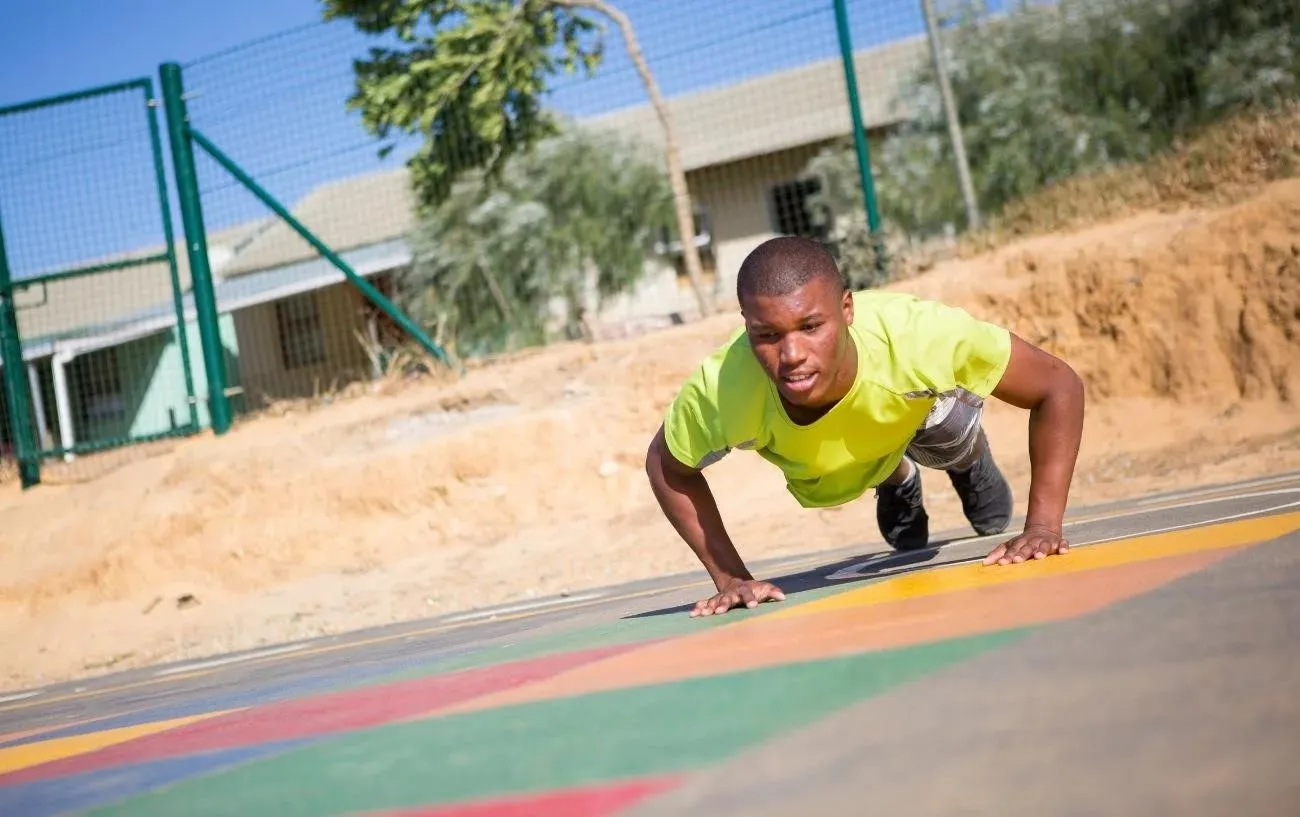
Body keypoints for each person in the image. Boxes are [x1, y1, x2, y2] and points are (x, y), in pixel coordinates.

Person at [644, 236, 1086, 617]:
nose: (792, 353)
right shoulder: (723, 387)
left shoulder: (917, 335)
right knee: (827, 486)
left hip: (916, 413)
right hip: (842, 457)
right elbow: (667, 464)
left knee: (944, 425)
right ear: (747, 327)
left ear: (847, 309)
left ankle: (968, 461)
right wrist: (731, 578)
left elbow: (1057, 386)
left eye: (811, 326)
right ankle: (898, 475)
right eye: (769, 335)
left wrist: (1044, 526)